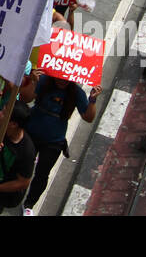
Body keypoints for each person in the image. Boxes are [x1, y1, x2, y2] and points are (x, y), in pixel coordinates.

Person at [20, 69, 98, 210]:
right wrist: (33, 82)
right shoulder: (43, 80)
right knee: (21, 164)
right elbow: (26, 98)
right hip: (31, 133)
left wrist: (92, 100)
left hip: (54, 141)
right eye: (60, 77)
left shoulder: (77, 93)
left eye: (66, 78)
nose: (62, 81)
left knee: (42, 174)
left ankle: (29, 204)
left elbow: (88, 117)